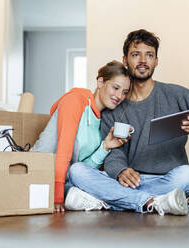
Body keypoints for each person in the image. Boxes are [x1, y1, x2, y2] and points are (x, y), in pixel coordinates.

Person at [65, 29, 189, 216]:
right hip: (126, 181)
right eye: (136, 55)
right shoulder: (114, 104)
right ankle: (153, 202)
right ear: (125, 60)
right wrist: (121, 170)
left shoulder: (176, 95)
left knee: (188, 176)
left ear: (156, 61)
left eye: (149, 55)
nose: (143, 61)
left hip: (166, 180)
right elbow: (113, 150)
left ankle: (112, 201)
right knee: (77, 171)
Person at [30, 60, 131, 212]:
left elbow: (81, 169)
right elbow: (64, 151)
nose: (119, 96)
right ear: (100, 82)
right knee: (96, 189)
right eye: (115, 88)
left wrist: (105, 146)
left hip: (67, 181)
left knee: (105, 179)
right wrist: (57, 198)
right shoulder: (76, 100)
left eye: (124, 92)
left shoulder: (102, 122)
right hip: (39, 175)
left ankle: (96, 199)